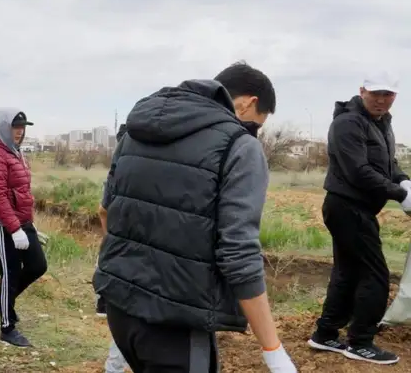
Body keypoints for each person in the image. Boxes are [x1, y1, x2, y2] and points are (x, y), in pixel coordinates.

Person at [94, 62, 296, 372]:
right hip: (178, 324)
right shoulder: (238, 146)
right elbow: (238, 254)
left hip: (121, 312)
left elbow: (106, 211)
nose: (252, 132)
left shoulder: (134, 133)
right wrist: (273, 349)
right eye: (256, 125)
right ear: (247, 103)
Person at [309, 71, 409, 365]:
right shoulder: (347, 123)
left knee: (348, 271)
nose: (381, 100)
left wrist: (404, 181)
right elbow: (358, 171)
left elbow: (388, 164)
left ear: (395, 96)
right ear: (362, 90)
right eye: (376, 93)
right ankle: (360, 341)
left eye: (388, 94)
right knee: (374, 275)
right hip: (347, 207)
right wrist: (399, 195)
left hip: (358, 209)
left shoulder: (381, 123)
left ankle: (325, 334)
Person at [0, 108, 47, 347]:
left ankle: (0, 301)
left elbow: (21, 193)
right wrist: (14, 229)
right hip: (0, 224)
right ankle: (7, 328)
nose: (19, 132)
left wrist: (29, 226)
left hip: (20, 222)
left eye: (22, 127)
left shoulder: (15, 152)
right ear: (3, 127)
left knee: (38, 265)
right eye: (15, 127)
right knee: (11, 272)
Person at [96, 124, 130, 373]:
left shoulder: (119, 171)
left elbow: (103, 210)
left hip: (122, 249)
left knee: (126, 315)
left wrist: (109, 239)